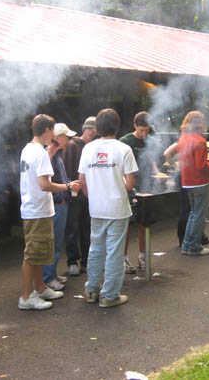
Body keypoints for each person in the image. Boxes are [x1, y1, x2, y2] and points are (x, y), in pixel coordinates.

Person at [19, 114, 80, 310]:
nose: (54, 134)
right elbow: (44, 185)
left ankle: (40, 287)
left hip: (33, 209)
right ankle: (26, 297)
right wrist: (68, 186)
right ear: (46, 130)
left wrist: (50, 153)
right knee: (32, 256)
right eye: (52, 130)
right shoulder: (39, 153)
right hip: (38, 210)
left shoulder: (29, 149)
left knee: (38, 254)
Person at [78, 108, 137, 307]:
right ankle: (110, 295)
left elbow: (82, 181)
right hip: (117, 208)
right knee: (114, 252)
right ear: (117, 127)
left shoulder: (87, 149)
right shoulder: (123, 149)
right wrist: (118, 190)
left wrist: (93, 197)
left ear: (97, 128)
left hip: (96, 207)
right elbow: (130, 182)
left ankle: (91, 291)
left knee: (95, 249)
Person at [119, 111, 159, 273]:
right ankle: (124, 258)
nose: (144, 134)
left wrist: (158, 173)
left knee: (145, 222)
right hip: (129, 187)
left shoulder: (152, 141)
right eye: (141, 130)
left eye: (147, 130)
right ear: (135, 126)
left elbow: (153, 162)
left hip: (147, 185)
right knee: (126, 224)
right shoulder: (125, 142)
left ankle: (143, 256)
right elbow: (120, 168)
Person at [177, 111, 209, 256]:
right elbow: (202, 166)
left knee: (193, 214)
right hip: (199, 182)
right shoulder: (200, 141)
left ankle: (187, 245)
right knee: (199, 215)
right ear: (200, 123)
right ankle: (194, 247)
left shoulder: (182, 138)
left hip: (186, 181)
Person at [42, 123, 76, 291]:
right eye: (66, 136)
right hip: (56, 203)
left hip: (61, 202)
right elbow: (46, 183)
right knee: (53, 242)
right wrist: (67, 188)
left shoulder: (56, 155)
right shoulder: (48, 154)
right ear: (57, 137)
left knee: (57, 241)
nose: (68, 140)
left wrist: (69, 185)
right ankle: (47, 278)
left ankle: (52, 273)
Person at [62, 116, 96, 276]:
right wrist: (70, 191)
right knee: (72, 229)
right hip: (75, 196)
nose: (92, 132)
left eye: (94, 129)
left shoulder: (95, 146)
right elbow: (67, 170)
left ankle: (86, 261)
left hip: (90, 195)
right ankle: (72, 261)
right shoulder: (72, 145)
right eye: (90, 129)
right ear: (85, 129)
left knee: (87, 229)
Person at [164, 142, 209, 247]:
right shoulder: (182, 141)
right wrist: (176, 166)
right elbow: (167, 153)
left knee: (195, 210)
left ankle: (198, 236)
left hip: (191, 177)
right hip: (186, 177)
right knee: (188, 209)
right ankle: (184, 239)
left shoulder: (192, 141)